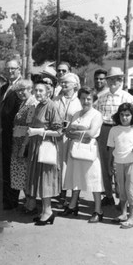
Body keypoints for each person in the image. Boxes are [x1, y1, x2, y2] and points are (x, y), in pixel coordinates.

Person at [61, 87, 104, 223]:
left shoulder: (96, 114)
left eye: (89, 99)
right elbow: (67, 132)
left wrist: (76, 131)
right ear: (79, 99)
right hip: (75, 150)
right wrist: (82, 131)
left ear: (94, 100)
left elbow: (91, 134)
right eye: (83, 98)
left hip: (89, 151)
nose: (86, 101)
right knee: (76, 177)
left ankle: (98, 210)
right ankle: (73, 205)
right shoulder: (76, 114)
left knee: (94, 180)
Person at [95, 67, 133, 206]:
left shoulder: (127, 97)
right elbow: (96, 116)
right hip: (105, 130)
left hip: (121, 131)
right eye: (111, 79)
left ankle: (121, 197)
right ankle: (108, 195)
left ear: (121, 80)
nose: (113, 81)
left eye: (117, 79)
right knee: (105, 164)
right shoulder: (102, 98)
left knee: (119, 163)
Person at [25, 80, 63, 225]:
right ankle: (45, 211)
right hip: (36, 146)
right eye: (36, 90)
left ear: (48, 92)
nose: (38, 93)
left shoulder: (51, 106)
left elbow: (59, 131)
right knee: (38, 178)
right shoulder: (38, 106)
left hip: (46, 147)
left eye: (41, 91)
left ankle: (48, 211)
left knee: (45, 178)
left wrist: (40, 132)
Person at [107, 103, 133, 229]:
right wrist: (109, 164)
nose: (124, 118)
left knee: (131, 189)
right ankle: (123, 214)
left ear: (132, 116)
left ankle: (132, 218)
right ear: (118, 116)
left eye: (127, 115)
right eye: (122, 115)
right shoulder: (114, 130)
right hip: (119, 163)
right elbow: (111, 149)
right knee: (121, 189)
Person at [54, 73, 82, 208]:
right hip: (59, 136)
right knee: (60, 165)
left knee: (73, 165)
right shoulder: (56, 99)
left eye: (67, 82)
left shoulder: (79, 101)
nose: (63, 85)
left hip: (74, 137)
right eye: (62, 82)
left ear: (75, 85)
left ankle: (74, 198)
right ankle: (62, 194)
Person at [10, 79, 37, 212]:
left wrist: (24, 146)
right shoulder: (23, 103)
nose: (20, 93)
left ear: (30, 89)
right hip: (18, 141)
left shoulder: (32, 104)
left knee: (27, 174)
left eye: (23, 90)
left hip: (25, 143)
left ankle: (31, 204)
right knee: (21, 174)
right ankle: (28, 202)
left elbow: (30, 126)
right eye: (18, 91)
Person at [0, 58, 23, 210]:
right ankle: (5, 197)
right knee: (5, 167)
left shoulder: (22, 87)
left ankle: (12, 199)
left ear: (19, 69)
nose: (10, 71)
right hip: (3, 134)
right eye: (8, 68)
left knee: (14, 167)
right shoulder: (5, 87)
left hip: (15, 133)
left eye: (13, 68)